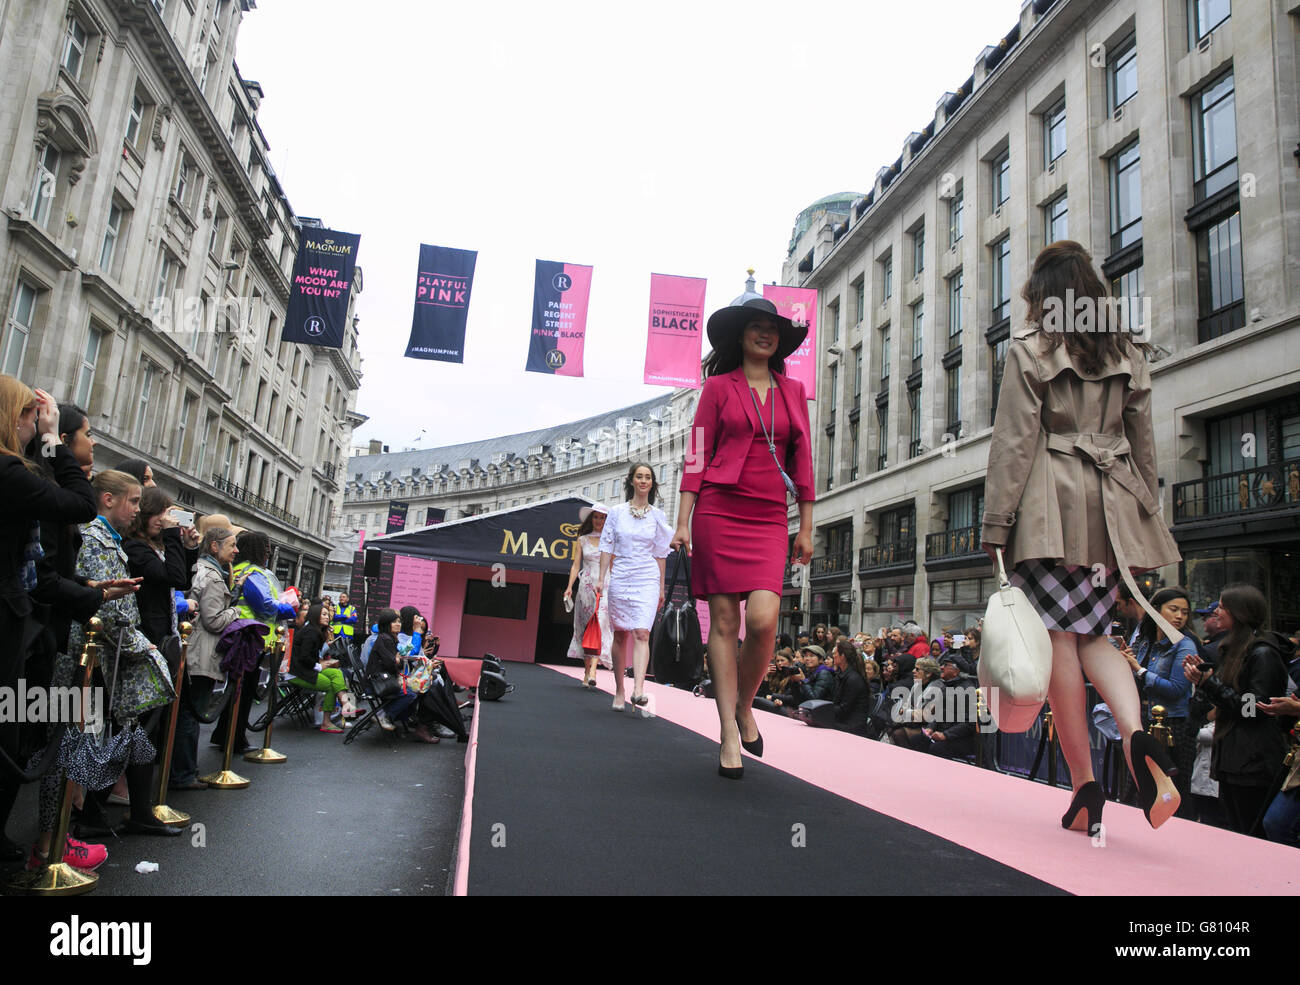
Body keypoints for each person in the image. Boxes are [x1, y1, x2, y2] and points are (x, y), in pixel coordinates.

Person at [980, 240, 1185, 835]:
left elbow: (1016, 441)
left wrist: (996, 524)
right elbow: (1145, 445)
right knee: (1097, 632)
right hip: (1111, 507)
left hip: (1050, 507)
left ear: (1044, 297)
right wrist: (1145, 520)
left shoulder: (1031, 349)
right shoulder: (1127, 351)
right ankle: (1136, 734)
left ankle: (1085, 787)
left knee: (1058, 643)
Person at [671, 293, 814, 779]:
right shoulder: (717, 387)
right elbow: (696, 452)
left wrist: (808, 525)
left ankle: (744, 704)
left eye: (772, 327)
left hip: (770, 512)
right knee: (726, 621)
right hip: (719, 507)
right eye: (755, 325)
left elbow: (805, 460)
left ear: (780, 340)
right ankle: (728, 733)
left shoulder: (793, 391)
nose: (765, 332)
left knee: (765, 620)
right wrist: (682, 520)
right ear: (741, 335)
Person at [0, 380, 104, 867]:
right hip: (16, 626)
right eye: (29, 416)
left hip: (24, 624)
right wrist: (53, 440)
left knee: (20, 741)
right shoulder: (12, 473)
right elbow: (81, 505)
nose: (33, 425)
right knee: (15, 740)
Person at [68, 470, 181, 836]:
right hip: (94, 656)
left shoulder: (112, 540)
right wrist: (144, 646)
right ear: (108, 499)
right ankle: (66, 830)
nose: (137, 508)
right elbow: (109, 611)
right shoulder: (97, 538)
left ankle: (95, 816)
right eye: (133, 501)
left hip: (110, 657)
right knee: (83, 739)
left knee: (110, 735)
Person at [1182, 585, 1294, 836]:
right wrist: (1205, 680)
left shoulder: (1263, 653)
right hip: (1233, 758)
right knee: (1235, 830)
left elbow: (1253, 708)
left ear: (1238, 612)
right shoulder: (1232, 649)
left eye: (1221, 607)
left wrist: (1209, 683)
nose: (1217, 612)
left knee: (1252, 831)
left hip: (1252, 761)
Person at [212, 530, 297, 754]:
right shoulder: (253, 572)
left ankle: (224, 733)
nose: (269, 553)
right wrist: (289, 608)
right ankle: (235, 737)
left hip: (243, 635)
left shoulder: (240, 569)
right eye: (266, 548)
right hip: (251, 637)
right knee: (244, 691)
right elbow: (265, 605)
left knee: (237, 690)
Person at [1117, 586, 1198, 817]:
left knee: (1175, 789)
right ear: (1156, 611)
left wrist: (1140, 670)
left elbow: (1176, 689)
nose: (1179, 616)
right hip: (1144, 722)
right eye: (1173, 609)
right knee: (1137, 785)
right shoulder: (1145, 641)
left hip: (1175, 727)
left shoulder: (1185, 645)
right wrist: (1127, 663)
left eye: (1184, 612)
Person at [600, 463, 673, 714]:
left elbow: (661, 553)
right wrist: (601, 578)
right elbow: (606, 546)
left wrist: (661, 587)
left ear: (652, 483)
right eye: (639, 476)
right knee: (620, 633)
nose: (643, 481)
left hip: (647, 576)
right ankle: (620, 689)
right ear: (631, 481)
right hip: (620, 574)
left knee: (642, 632)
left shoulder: (658, 516)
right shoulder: (616, 512)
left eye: (648, 477)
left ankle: (638, 690)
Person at [173, 526, 241, 789]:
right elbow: (213, 620)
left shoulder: (199, 568)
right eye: (231, 545)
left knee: (185, 713)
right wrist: (235, 612)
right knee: (191, 713)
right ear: (214, 546)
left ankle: (181, 769)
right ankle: (183, 773)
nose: (236, 551)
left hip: (191, 650)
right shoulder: (213, 577)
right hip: (201, 654)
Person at [367, 608, 439, 744]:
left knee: (421, 688)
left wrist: (400, 658)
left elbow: (402, 657)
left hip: (386, 678)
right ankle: (385, 715)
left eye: (399, 621)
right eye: (394, 622)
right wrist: (400, 658)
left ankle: (398, 718)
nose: (398, 624)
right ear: (386, 624)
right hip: (379, 682)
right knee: (412, 693)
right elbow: (396, 662)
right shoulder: (385, 639)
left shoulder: (391, 638)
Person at [563, 502, 612, 687]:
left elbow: (613, 566)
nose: (599, 520)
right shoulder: (582, 539)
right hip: (585, 585)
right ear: (591, 519)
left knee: (600, 624)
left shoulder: (610, 541)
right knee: (585, 626)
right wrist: (569, 586)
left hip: (605, 585)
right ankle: (586, 670)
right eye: (596, 517)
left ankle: (593, 671)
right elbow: (576, 564)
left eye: (602, 517)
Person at [289, 604, 348, 733]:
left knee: (336, 673)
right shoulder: (310, 632)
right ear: (315, 615)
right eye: (324, 614)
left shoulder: (316, 631)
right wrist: (319, 665)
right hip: (298, 672)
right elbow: (304, 657)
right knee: (330, 685)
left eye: (328, 614)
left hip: (307, 669)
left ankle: (346, 705)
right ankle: (326, 722)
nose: (328, 617)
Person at [925, 655, 980, 759]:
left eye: (946, 665)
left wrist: (946, 735)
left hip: (963, 738)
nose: (941, 667)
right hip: (944, 732)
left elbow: (970, 723)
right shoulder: (946, 687)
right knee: (917, 740)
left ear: (956, 671)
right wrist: (930, 728)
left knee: (936, 748)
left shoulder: (968, 690)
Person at [891, 657, 944, 750]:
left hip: (932, 726)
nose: (913, 671)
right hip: (915, 723)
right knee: (890, 729)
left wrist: (906, 712)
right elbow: (905, 706)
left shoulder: (937, 688)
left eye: (917, 669)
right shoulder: (916, 685)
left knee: (899, 733)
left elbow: (925, 716)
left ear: (928, 673)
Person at [830, 640, 872, 736]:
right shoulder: (843, 675)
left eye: (835, 653)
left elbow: (844, 708)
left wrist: (824, 711)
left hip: (852, 726)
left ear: (842, 656)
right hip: (844, 721)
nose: (833, 656)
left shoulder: (853, 679)